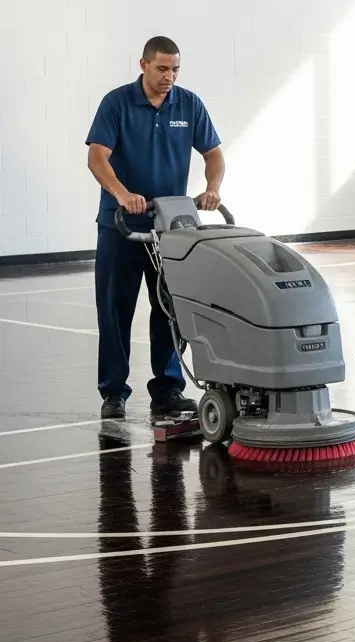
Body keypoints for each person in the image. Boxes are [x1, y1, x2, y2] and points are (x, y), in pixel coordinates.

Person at [84, 36, 224, 420]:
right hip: (121, 228)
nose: (169, 77)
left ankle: (167, 388)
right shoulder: (117, 103)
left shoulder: (189, 104)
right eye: (162, 68)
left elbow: (213, 153)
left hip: (169, 229)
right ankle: (113, 392)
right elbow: (97, 157)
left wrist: (212, 188)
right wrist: (122, 193)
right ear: (143, 65)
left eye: (175, 69)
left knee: (169, 309)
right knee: (115, 311)